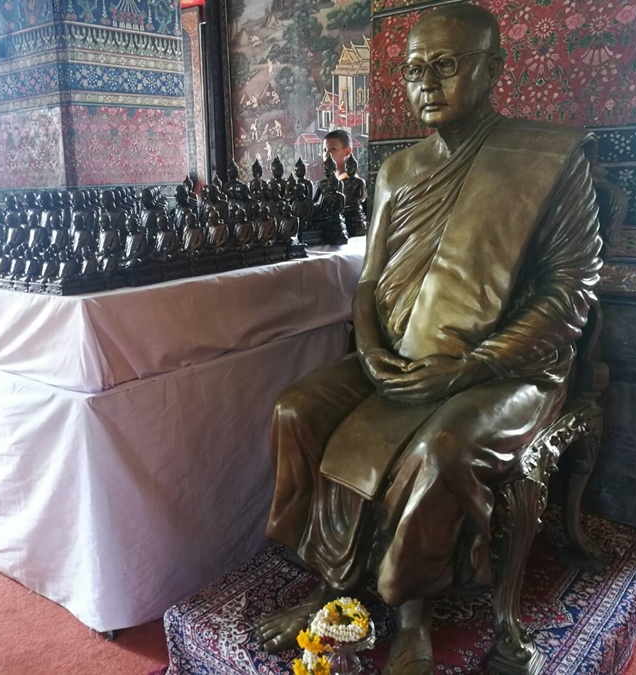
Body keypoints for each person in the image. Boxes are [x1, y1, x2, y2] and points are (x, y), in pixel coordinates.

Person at [256, 5, 602, 674]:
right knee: (296, 410)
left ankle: (413, 614)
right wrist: (371, 352)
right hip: (399, 354)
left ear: (492, 69)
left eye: (446, 66)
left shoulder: (547, 159)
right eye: (415, 70)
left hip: (509, 365)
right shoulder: (396, 171)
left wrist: (469, 366)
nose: (426, 84)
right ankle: (332, 584)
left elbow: (570, 294)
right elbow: (369, 283)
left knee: (438, 450)